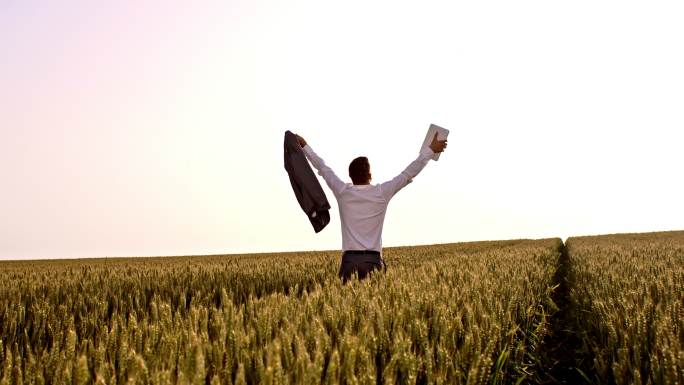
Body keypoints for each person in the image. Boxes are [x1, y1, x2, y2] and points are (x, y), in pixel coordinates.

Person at [295, 132, 447, 283]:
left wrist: (304, 145)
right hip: (373, 261)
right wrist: (430, 150)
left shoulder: (342, 192)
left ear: (350, 175)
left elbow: (323, 168)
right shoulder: (381, 193)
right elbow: (407, 174)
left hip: (349, 262)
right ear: (370, 174)